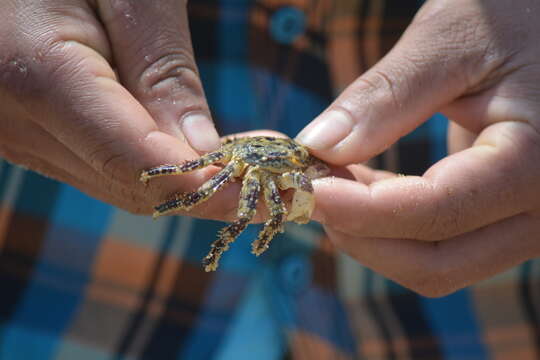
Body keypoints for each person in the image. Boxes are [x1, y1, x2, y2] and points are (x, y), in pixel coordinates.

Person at [0, 0, 538, 359]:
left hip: (484, 268)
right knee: (198, 182)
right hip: (76, 262)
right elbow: (203, 173)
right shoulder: (245, 166)